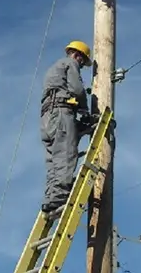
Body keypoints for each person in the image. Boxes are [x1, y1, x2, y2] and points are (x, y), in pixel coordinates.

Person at [39, 40, 97, 213]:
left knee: (54, 159)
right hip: (61, 112)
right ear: (77, 55)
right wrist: (85, 110)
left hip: (47, 118)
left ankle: (52, 196)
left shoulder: (53, 68)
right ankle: (61, 195)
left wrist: (79, 127)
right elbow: (77, 89)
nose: (81, 64)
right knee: (66, 153)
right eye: (82, 61)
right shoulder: (70, 64)